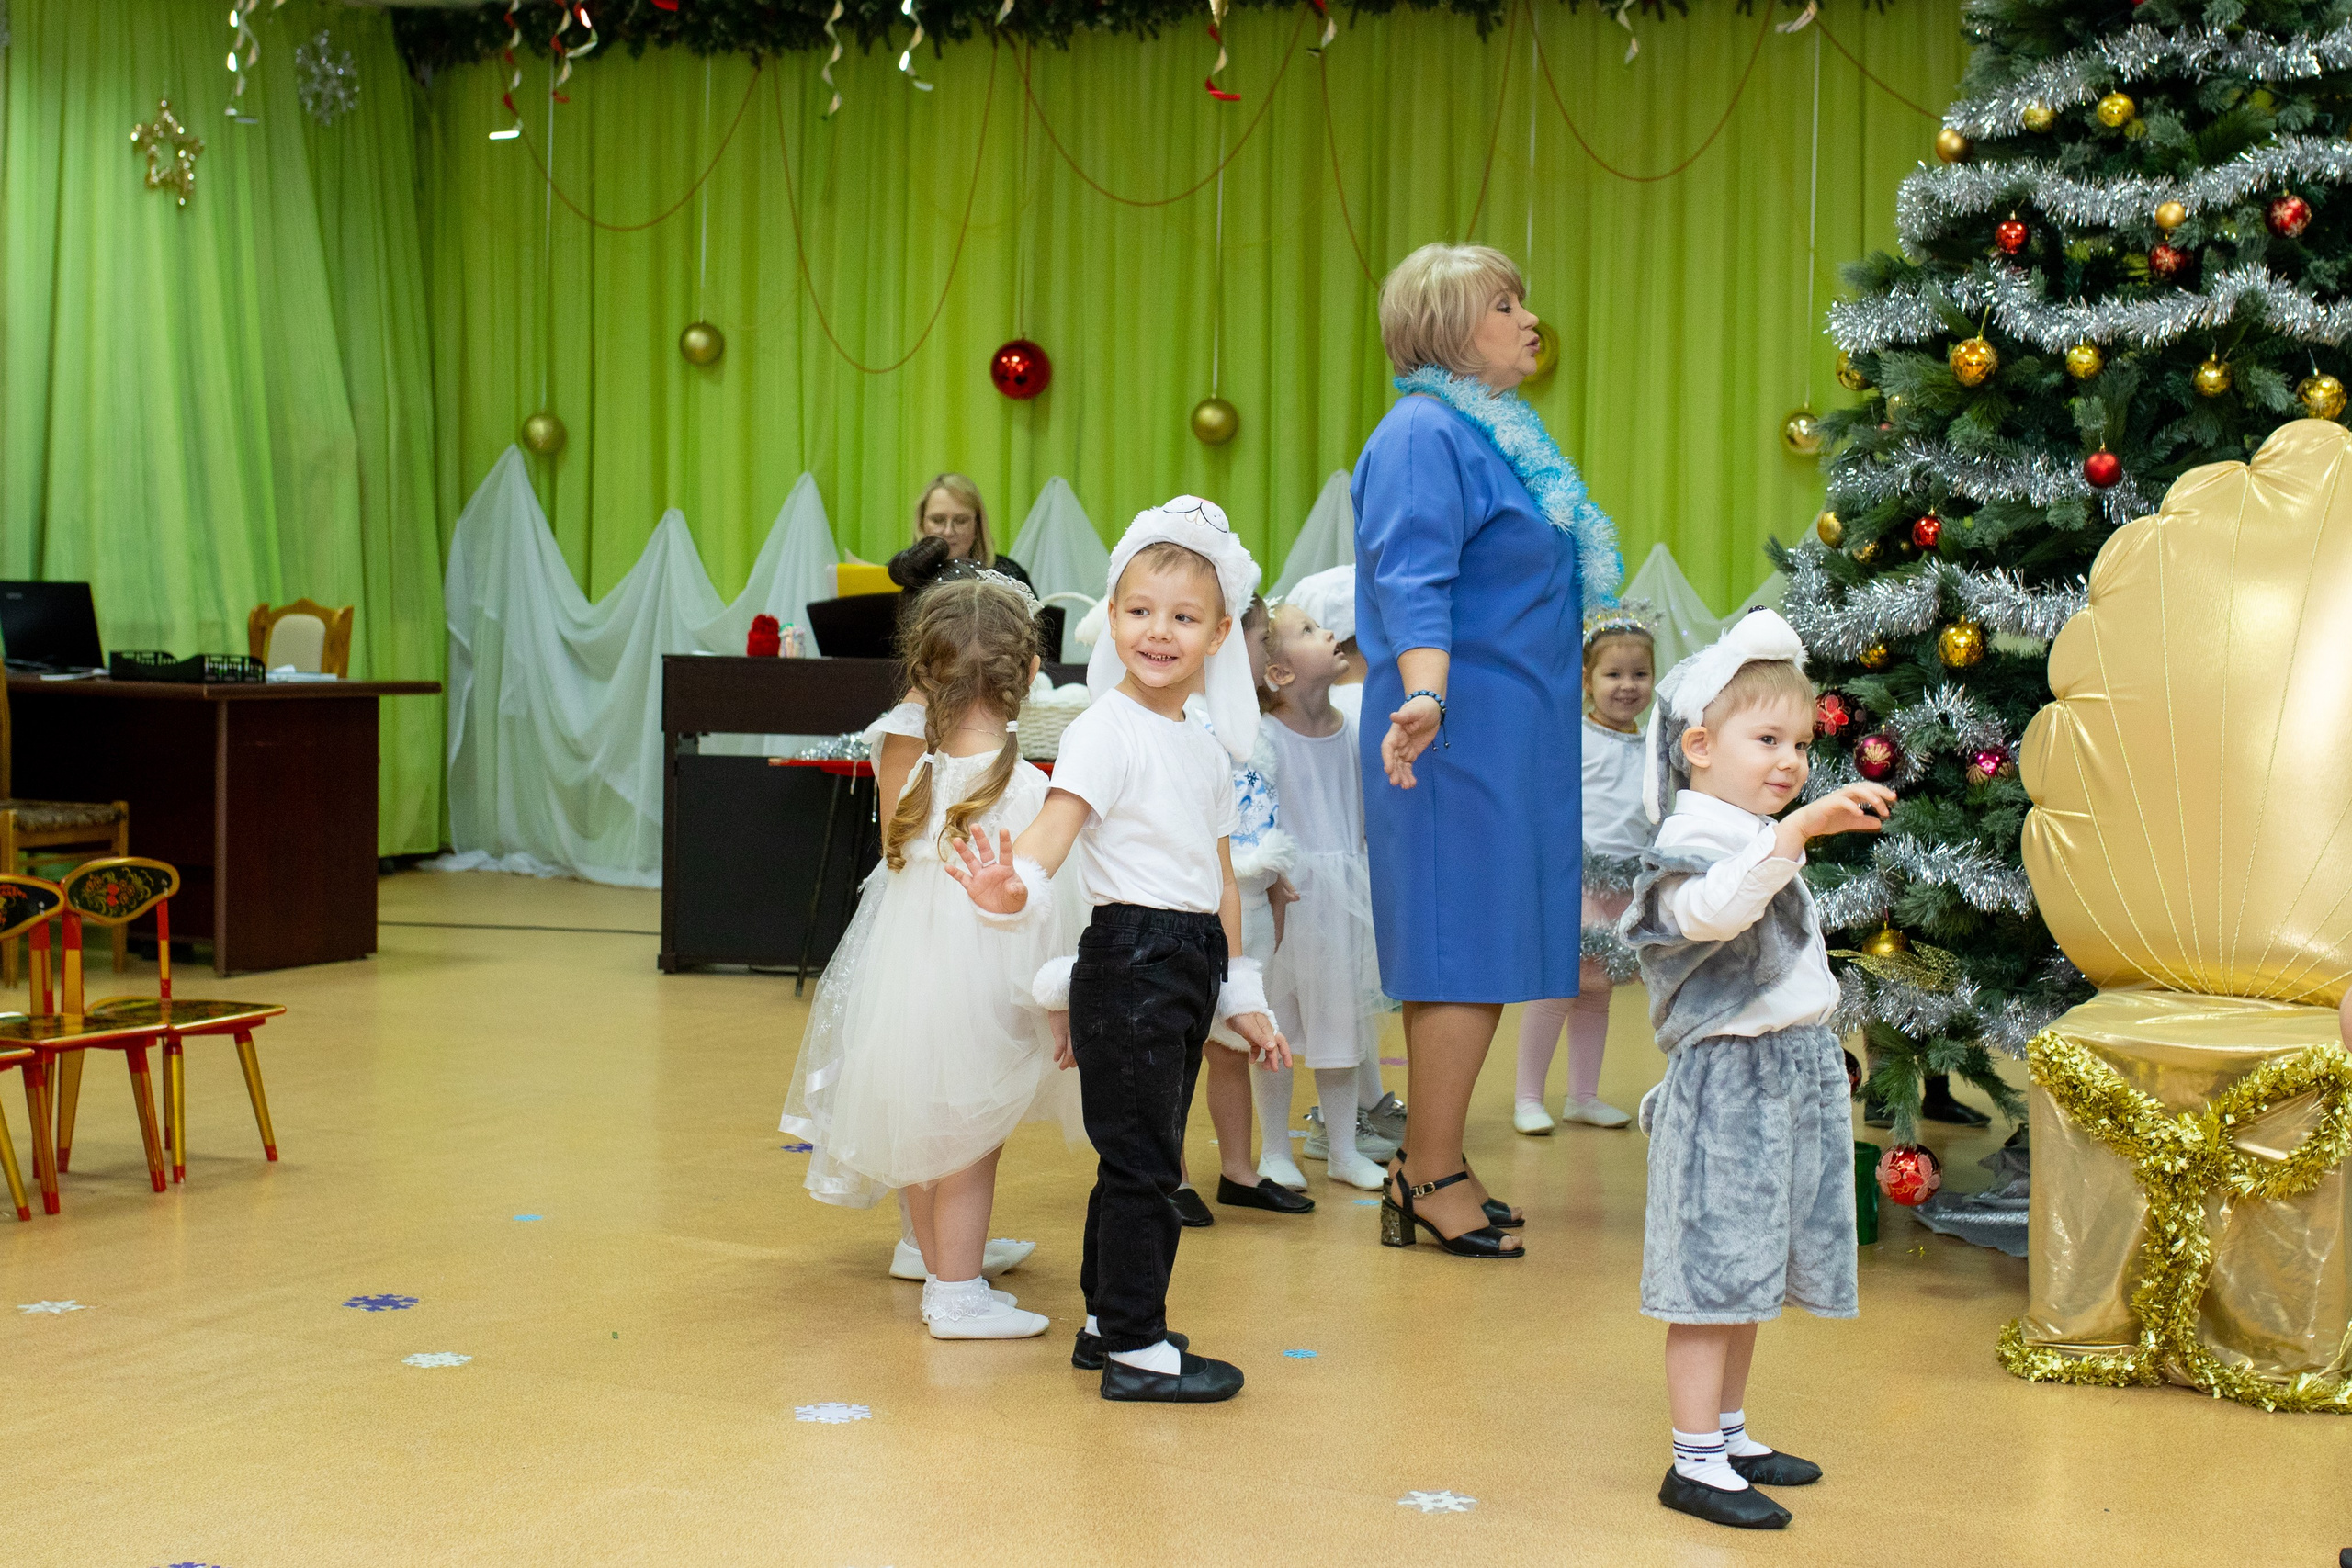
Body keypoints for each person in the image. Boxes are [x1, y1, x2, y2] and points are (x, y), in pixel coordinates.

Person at [949, 496, 1292, 1404]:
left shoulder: (1206, 749)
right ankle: (1139, 1350)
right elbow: (1057, 831)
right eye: (1139, 611)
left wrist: (1239, 988)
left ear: (1219, 635)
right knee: (1148, 1168)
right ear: (1112, 617)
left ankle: (1110, 1322)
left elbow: (1219, 881)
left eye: (1183, 617)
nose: (1158, 631)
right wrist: (1010, 883)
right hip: (1131, 957)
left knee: (1141, 1156)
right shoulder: (1104, 725)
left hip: (1185, 963)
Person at [1354, 242, 1622, 1258]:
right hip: (1451, 734)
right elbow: (1411, 577)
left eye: (1521, 297)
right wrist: (1423, 694)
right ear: (1444, 330)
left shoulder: (1491, 432)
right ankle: (1427, 1172)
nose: (1527, 317)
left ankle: (1433, 1158)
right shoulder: (1424, 433)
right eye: (1502, 304)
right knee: (1458, 950)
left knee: (1485, 947)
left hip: (1508, 731)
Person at [1620, 609, 1894, 1529]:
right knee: (1710, 1278)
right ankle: (1692, 1460)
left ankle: (1729, 1433)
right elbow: (1710, 914)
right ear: (1699, 745)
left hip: (1786, 1069)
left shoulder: (1751, 826)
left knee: (1751, 1269)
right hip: (1730, 1085)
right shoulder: (1699, 840)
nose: (1788, 761)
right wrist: (1795, 834)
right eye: (1765, 738)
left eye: (1800, 743)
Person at [780, 574, 1083, 1340]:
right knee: (970, 1143)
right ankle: (957, 1290)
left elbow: (895, 862)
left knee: (926, 1125)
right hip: (980, 984)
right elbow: (1046, 908)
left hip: (906, 972)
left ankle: (932, 1252)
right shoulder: (1023, 788)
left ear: (924, 673)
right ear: (1031, 678)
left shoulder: (912, 763)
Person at [1188, 593, 1314, 1219]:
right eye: (1264, 641)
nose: (1271, 653)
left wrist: (1273, 869)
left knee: (1231, 1040)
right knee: (1183, 1042)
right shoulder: (1190, 716)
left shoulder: (1251, 722)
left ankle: (1239, 1168)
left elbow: (1258, 806)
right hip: (1201, 897)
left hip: (1250, 893)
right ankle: (1169, 1178)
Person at [1257, 603, 1388, 1191]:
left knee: (1341, 1026)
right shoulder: (1264, 736)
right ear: (1279, 671)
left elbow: (1359, 814)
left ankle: (1341, 1147)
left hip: (1341, 901)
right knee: (1275, 1025)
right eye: (1309, 631)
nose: (1330, 633)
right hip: (1284, 899)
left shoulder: (1352, 729)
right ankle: (1273, 1149)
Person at [1515, 604, 1657, 1134]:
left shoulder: (1650, 744)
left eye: (1639, 674)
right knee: (1558, 987)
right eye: (1613, 674)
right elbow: (1546, 799)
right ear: (1586, 680)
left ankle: (1584, 1095)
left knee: (1597, 991)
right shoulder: (1575, 737)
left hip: (1623, 883)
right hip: (1574, 880)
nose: (1627, 686)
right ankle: (1529, 1096)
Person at [901, 473, 1033, 591]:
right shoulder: (900, 576)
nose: (948, 532)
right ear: (921, 524)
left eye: (961, 521)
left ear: (977, 525)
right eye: (937, 520)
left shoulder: (1008, 577)